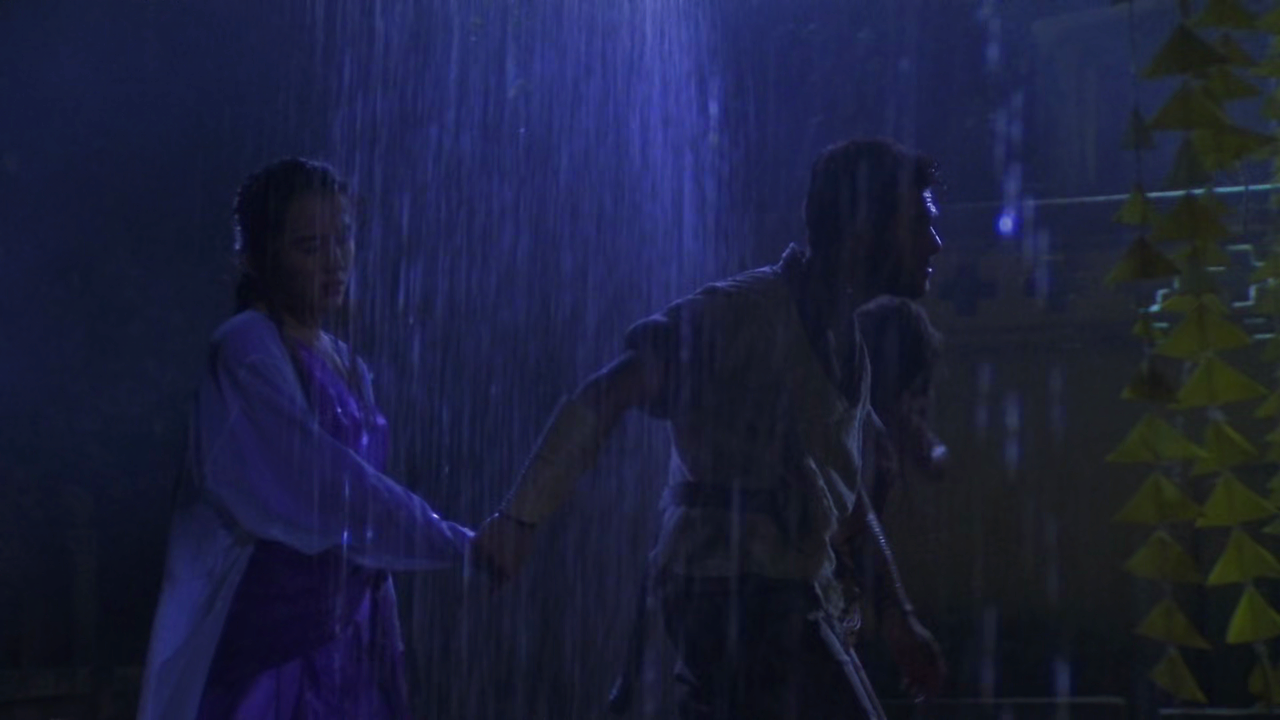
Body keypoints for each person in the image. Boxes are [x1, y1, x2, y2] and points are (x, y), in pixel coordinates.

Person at [471, 138, 948, 719]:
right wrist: (520, 517)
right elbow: (612, 391)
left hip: (780, 599)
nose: (934, 243)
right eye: (919, 224)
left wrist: (897, 619)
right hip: (732, 597)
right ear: (863, 228)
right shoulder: (744, 314)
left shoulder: (849, 351)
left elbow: (844, 509)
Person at [137, 158, 473, 720]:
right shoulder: (246, 346)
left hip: (346, 625)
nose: (336, 261)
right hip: (274, 635)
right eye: (310, 247)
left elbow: (355, 493)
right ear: (258, 258)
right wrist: (454, 542)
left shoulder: (347, 363)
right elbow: (319, 481)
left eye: (343, 238)